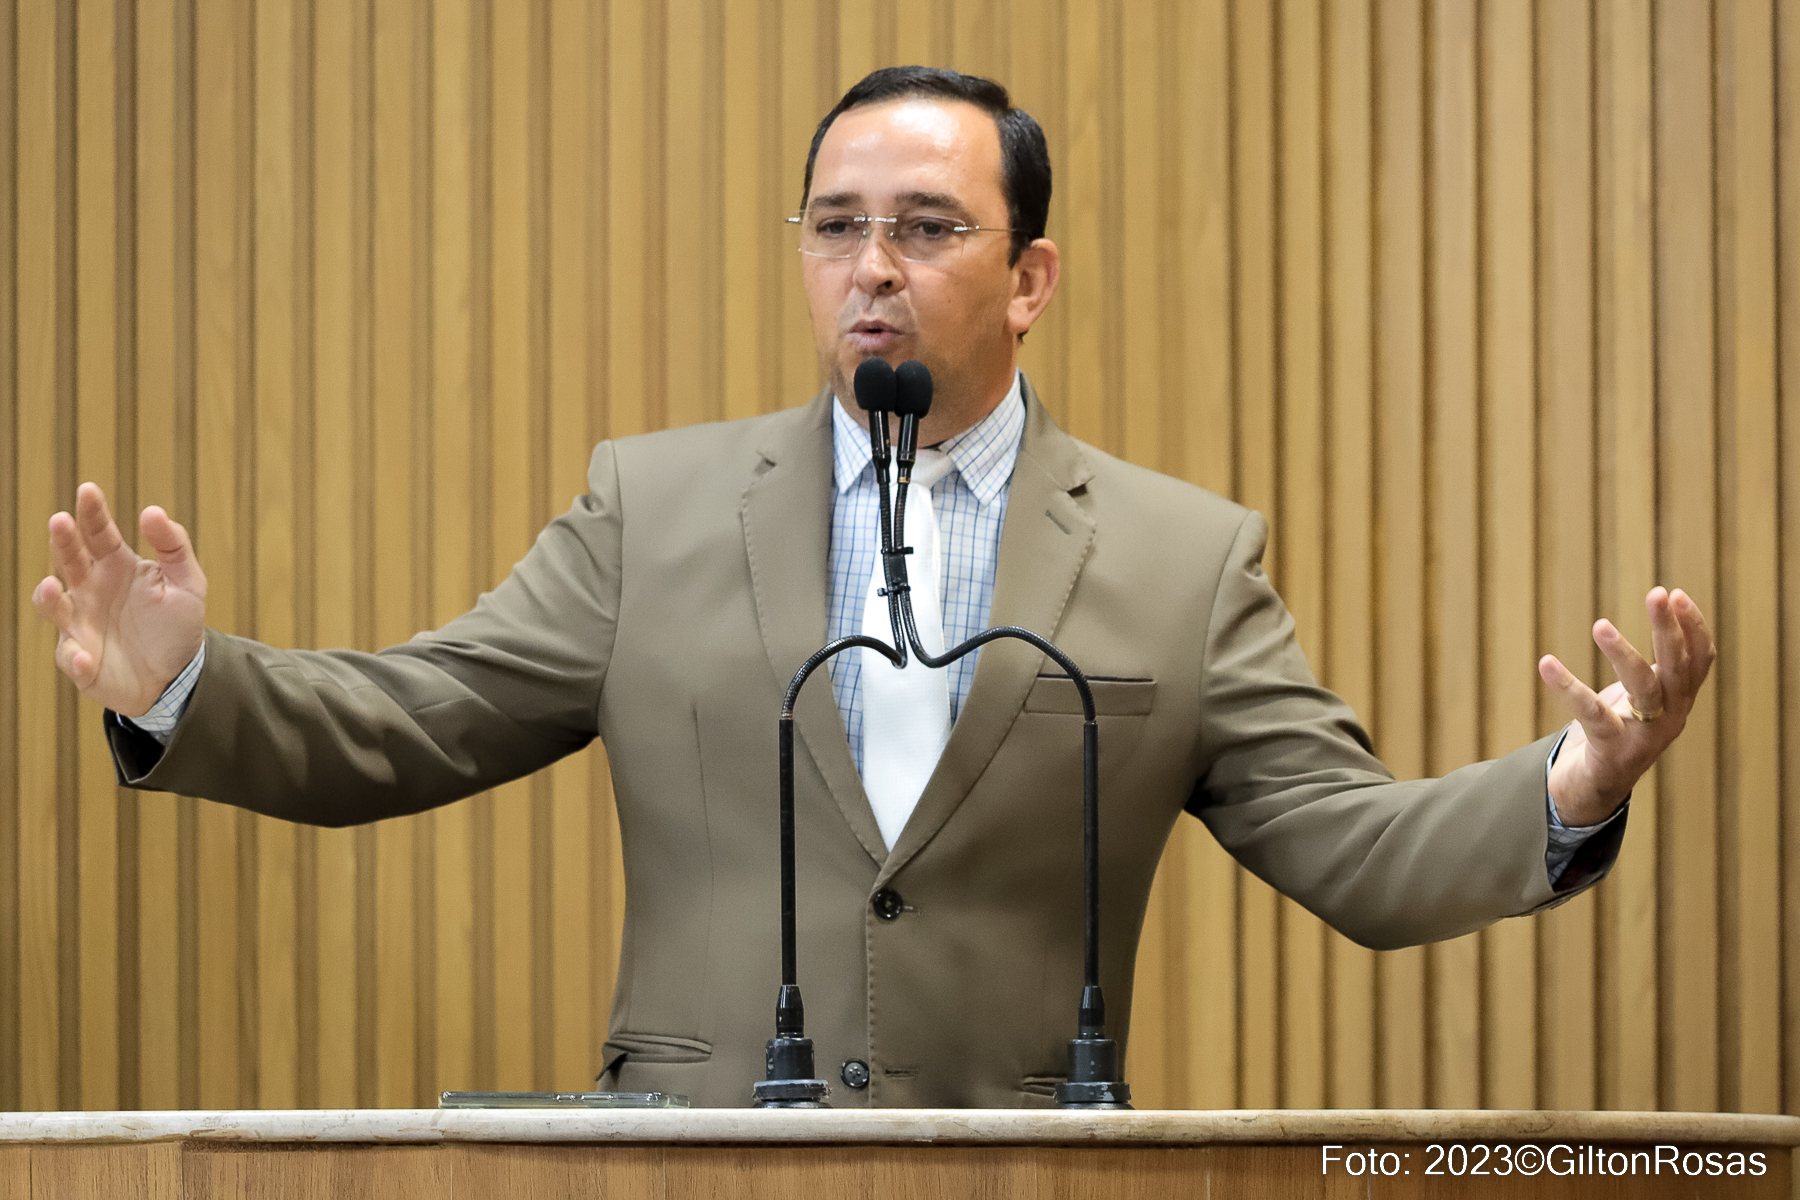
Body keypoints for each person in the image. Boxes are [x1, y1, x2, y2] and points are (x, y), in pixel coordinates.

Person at [31, 67, 1713, 1108]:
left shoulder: (1182, 556)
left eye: (924, 227)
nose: (870, 269)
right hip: (692, 1168)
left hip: (1023, 1169)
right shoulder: (653, 506)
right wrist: (184, 681)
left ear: (1029, 276)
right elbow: (417, 718)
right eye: (835, 226)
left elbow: (1351, 848)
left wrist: (1570, 785)